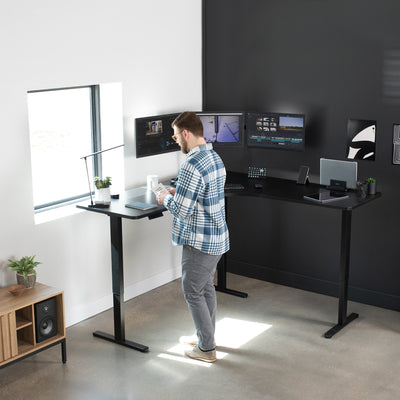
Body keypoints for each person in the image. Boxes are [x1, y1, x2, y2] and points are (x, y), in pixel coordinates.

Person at [156, 111, 229, 363]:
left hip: (199, 241)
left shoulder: (190, 164)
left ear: (186, 133)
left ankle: (206, 349)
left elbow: (182, 211)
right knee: (205, 286)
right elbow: (204, 193)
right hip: (217, 238)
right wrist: (181, 190)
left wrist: (165, 197)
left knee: (192, 291)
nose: (176, 141)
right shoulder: (214, 157)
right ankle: (206, 337)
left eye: (176, 137)